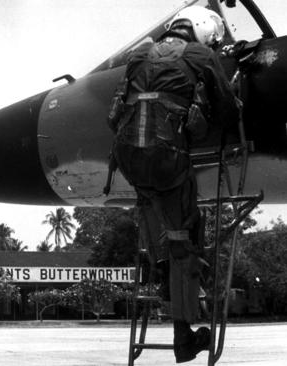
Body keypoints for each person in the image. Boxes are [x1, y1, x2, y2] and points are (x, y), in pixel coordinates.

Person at [107, 6, 239, 364]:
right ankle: (184, 338)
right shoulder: (200, 54)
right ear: (201, 32)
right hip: (166, 158)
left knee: (155, 217)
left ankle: (163, 271)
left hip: (129, 158)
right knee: (186, 237)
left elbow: (115, 111)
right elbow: (227, 109)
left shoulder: (140, 53)